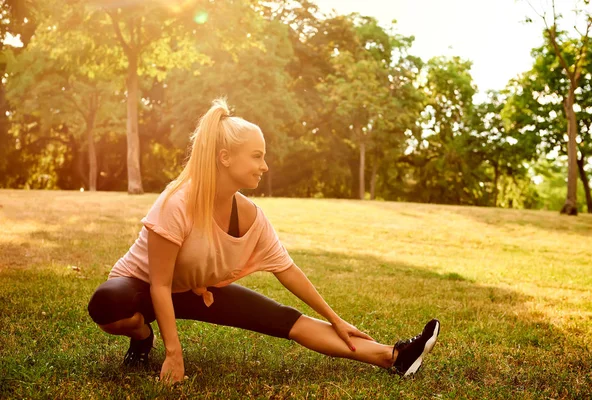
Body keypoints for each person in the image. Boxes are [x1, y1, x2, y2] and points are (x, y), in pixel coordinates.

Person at [87, 99, 440, 383]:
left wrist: (335, 317)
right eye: (257, 156)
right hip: (141, 288)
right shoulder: (177, 201)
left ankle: (392, 357)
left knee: (287, 319)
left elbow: (288, 271)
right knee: (107, 303)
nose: (265, 166)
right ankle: (141, 337)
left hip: (196, 290)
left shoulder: (251, 217)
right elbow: (160, 285)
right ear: (225, 158)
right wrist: (173, 352)